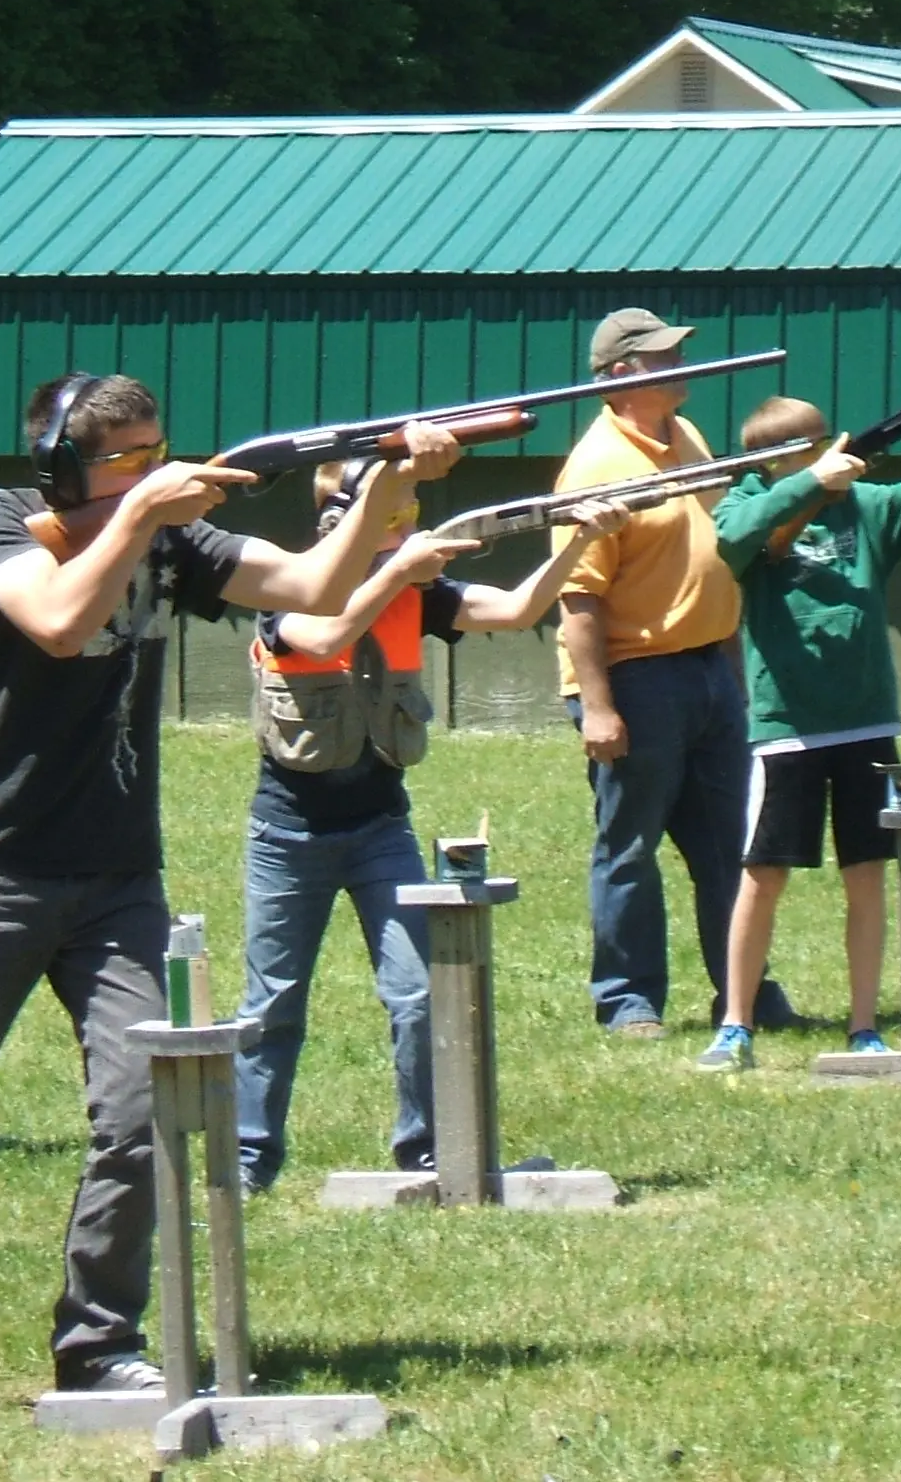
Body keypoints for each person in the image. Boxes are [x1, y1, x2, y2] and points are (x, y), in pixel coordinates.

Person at [0, 373, 460, 1421]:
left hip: (117, 875)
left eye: (157, 452)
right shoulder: (1, 523)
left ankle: (98, 1342)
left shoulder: (172, 541)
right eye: (126, 459)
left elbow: (319, 590)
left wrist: (386, 483)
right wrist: (144, 509)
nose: (153, 471)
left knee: (146, 1112)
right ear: (64, 467)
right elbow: (55, 619)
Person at [233, 461, 630, 1188]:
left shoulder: (422, 595)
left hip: (381, 827)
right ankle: (248, 1161)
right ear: (339, 524)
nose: (408, 522)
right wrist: (397, 575)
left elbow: (515, 609)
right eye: (393, 512)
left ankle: (430, 1151)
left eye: (410, 508)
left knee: (420, 996)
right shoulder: (286, 590)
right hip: (287, 836)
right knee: (273, 1005)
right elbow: (322, 640)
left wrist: (576, 541)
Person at [699, 383, 901, 1071]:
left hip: (863, 721)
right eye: (790, 456)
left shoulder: (864, 509)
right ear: (767, 463)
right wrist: (807, 484)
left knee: (866, 874)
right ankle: (735, 1023)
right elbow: (731, 540)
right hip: (788, 729)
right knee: (762, 874)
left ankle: (864, 1024)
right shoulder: (750, 505)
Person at [554, 308, 800, 1039]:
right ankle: (628, 999)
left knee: (729, 844)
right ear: (625, 375)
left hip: (708, 669)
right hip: (635, 677)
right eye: (665, 358)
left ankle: (743, 989)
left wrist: (729, 662)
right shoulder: (596, 467)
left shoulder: (684, 437)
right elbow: (578, 596)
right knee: (630, 847)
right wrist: (598, 707)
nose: (681, 366)